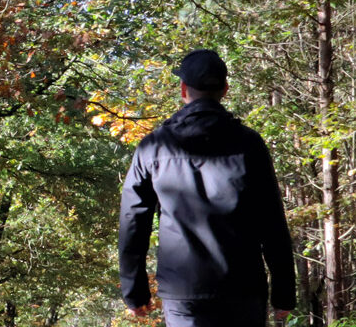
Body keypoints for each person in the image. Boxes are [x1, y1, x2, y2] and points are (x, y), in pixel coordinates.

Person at [119, 49, 297, 327]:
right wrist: (284, 294)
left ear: (183, 89)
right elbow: (272, 222)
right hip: (243, 289)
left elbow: (133, 222)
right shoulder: (249, 144)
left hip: (183, 291)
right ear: (225, 90)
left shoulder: (154, 147)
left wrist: (134, 291)